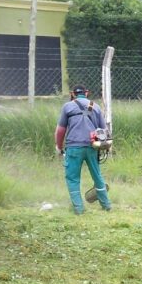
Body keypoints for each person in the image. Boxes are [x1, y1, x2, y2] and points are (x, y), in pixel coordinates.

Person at [54, 84, 111, 214]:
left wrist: (59, 146)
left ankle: (79, 209)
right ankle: (106, 205)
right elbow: (104, 131)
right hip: (92, 147)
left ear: (73, 94)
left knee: (73, 178)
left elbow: (60, 130)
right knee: (97, 176)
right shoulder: (95, 107)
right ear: (86, 93)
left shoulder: (67, 107)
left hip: (73, 147)